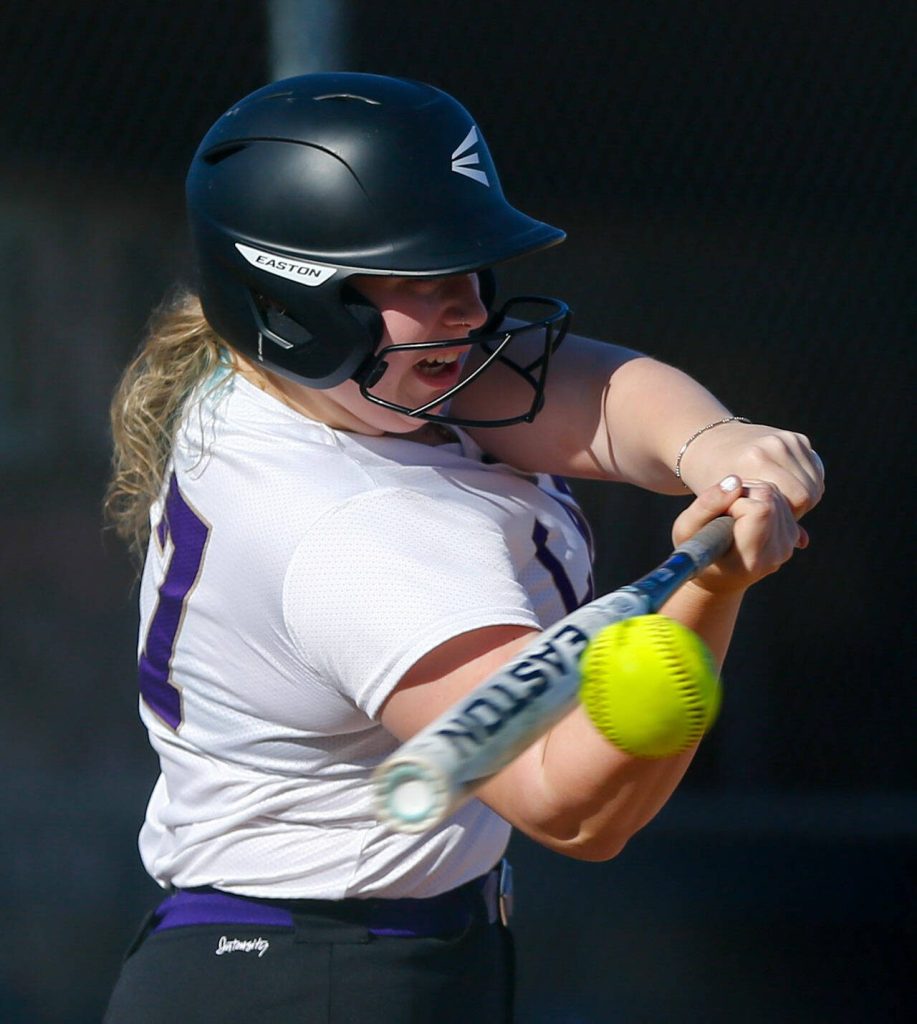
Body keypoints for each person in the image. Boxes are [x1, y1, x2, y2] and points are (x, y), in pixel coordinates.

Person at [102, 73, 823, 1023]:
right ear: (292, 303)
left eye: (463, 268)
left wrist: (710, 445)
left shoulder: (290, 386)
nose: (465, 311)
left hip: (292, 959)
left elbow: (569, 391)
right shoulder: (363, 535)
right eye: (409, 278)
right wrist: (712, 594)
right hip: (319, 982)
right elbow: (573, 805)